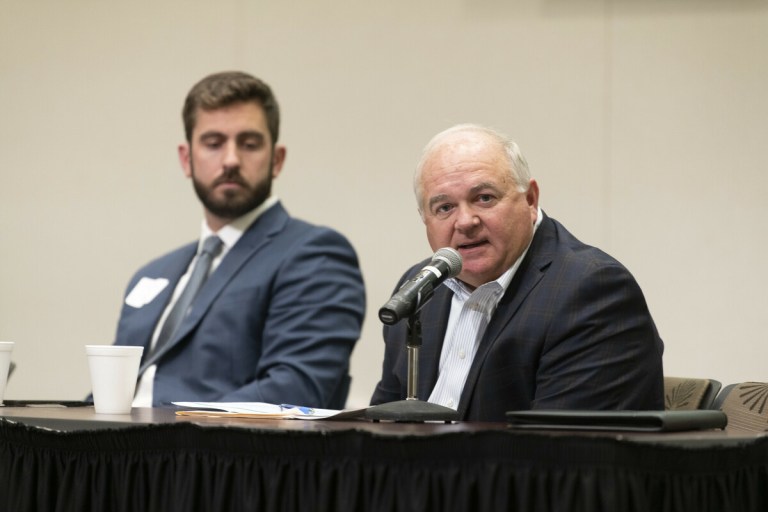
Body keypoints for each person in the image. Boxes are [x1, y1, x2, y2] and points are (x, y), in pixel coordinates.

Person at [370, 123, 664, 421]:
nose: (466, 221)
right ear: (424, 219)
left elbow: (559, 442)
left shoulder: (593, 291)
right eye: (444, 207)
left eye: (484, 198)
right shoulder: (419, 291)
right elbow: (379, 424)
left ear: (530, 199)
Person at [112, 71, 366, 409]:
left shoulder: (316, 256)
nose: (231, 160)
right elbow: (110, 393)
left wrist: (166, 425)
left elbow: (294, 390)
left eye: (249, 144)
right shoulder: (152, 274)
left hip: (209, 442)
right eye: (213, 143)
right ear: (187, 159)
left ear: (276, 160)